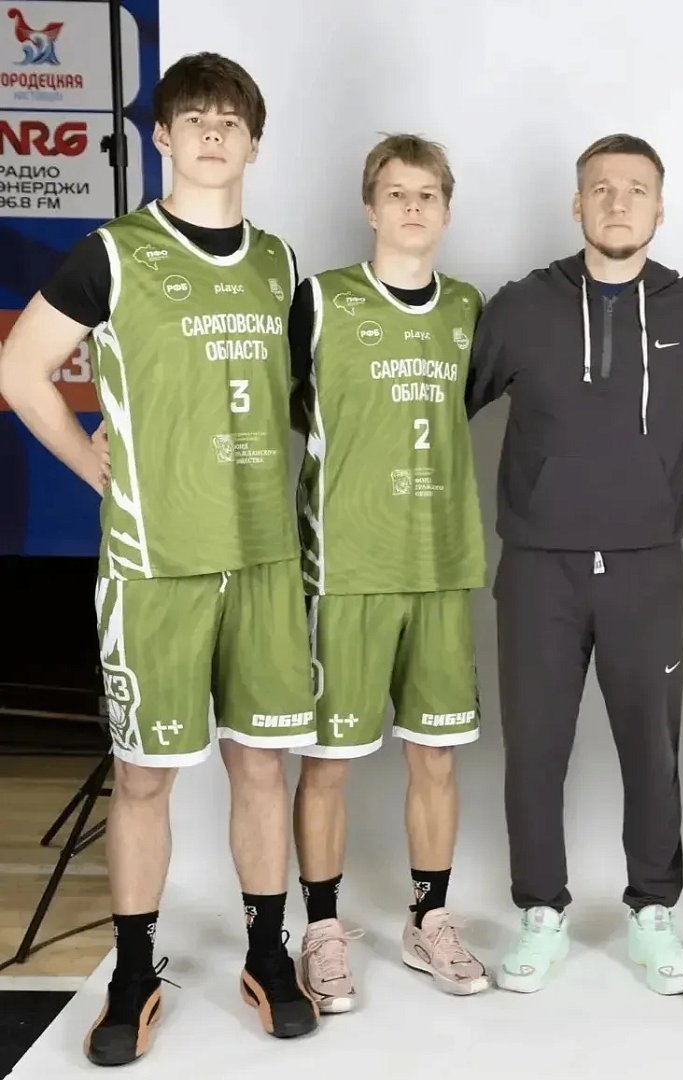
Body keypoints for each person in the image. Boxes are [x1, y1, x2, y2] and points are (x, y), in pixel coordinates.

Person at [0, 53, 320, 1065]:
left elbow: (299, 400)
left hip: (262, 559)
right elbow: (19, 367)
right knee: (144, 777)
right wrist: (89, 462)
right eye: (195, 118)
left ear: (254, 144)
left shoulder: (279, 264)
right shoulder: (114, 252)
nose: (213, 134)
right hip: (156, 560)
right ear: (164, 137)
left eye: (231, 121)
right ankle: (134, 968)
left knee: (260, 765)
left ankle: (266, 953)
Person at [465, 133, 683, 994]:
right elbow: (437, 406)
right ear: (577, 204)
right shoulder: (519, 307)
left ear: (660, 207)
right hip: (539, 564)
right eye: (601, 188)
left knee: (651, 747)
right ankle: (540, 911)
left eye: (635, 189)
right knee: (535, 747)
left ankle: (652, 910)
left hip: (648, 564)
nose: (617, 202)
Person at [287, 134, 490, 1011]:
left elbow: (471, 403)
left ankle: (428, 918)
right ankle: (321, 928)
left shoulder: (469, 309)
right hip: (346, 568)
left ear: (445, 210)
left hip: (439, 564)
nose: (412, 207)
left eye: (427, 194)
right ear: (369, 208)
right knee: (327, 763)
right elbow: (267, 397)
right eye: (396, 193)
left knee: (434, 758)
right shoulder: (321, 299)